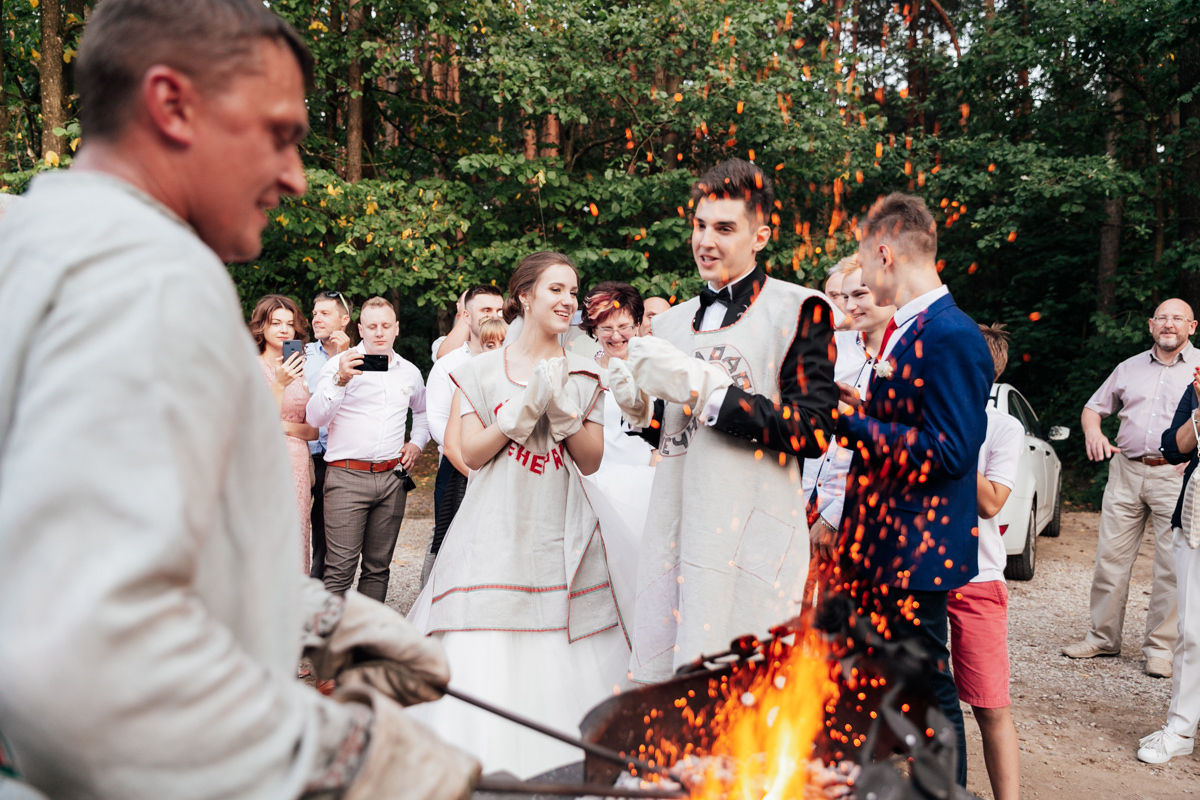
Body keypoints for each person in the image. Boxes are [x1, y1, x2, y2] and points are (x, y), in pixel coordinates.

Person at [0, 2, 477, 798]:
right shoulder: (150, 281)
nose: (293, 175)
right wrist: (345, 759)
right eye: (280, 134)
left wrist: (302, 618)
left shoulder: (31, 245)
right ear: (172, 104)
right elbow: (85, 657)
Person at [610, 159, 838, 683]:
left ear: (760, 236)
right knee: (672, 695)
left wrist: (707, 389)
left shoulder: (801, 310)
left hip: (749, 536)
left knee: (745, 699)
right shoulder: (666, 322)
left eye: (724, 228)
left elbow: (813, 431)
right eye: (699, 225)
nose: (705, 241)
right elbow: (675, 434)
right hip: (677, 527)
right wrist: (639, 411)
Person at [408, 252, 627, 778]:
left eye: (573, 291)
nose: (568, 300)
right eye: (556, 289)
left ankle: (570, 770)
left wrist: (563, 412)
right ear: (524, 296)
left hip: (562, 527)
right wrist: (519, 413)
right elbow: (471, 455)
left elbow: (591, 459)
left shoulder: (586, 370)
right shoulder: (479, 370)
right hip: (495, 531)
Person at [833, 192, 993, 788]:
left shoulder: (951, 334)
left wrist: (854, 425)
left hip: (914, 552)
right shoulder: (911, 327)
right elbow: (910, 428)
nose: (864, 276)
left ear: (884, 252)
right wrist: (865, 407)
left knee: (929, 693)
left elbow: (952, 453)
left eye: (864, 262)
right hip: (884, 546)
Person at [1063, 299, 1198, 678]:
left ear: (1192, 326)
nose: (1169, 324)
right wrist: (1094, 433)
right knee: (1110, 558)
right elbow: (1094, 408)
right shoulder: (1129, 367)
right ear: (1151, 325)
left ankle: (1160, 648)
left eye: (1177, 319)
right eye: (1162, 318)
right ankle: (1102, 638)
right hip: (1125, 470)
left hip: (1176, 475)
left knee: (1171, 567)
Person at [307, 297, 430, 603]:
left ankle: (366, 644)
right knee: (340, 568)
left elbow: (424, 412)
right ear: (360, 329)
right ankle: (327, 643)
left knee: (378, 568)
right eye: (372, 326)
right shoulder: (339, 364)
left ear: (396, 329)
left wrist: (416, 442)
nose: (379, 332)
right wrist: (340, 379)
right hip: (346, 476)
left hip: (393, 478)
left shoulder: (409, 372)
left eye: (386, 326)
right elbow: (314, 418)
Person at [948, 323, 1023, 800]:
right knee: (921, 696)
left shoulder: (1003, 427)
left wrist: (955, 441)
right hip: (922, 575)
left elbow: (992, 501)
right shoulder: (924, 414)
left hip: (979, 577)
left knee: (990, 705)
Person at [803, 263, 895, 595]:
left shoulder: (904, 359)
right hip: (801, 493)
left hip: (853, 510)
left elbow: (885, 447)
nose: (849, 305)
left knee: (834, 613)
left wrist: (832, 517)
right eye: (845, 296)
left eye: (859, 294)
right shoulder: (832, 348)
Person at [578, 282, 657, 625]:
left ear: (638, 325)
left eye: (624, 326)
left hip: (646, 483)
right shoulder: (581, 371)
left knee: (644, 573)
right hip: (596, 482)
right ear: (593, 329)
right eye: (606, 327)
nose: (616, 335)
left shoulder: (655, 367)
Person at [422, 284, 505, 584]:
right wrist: (473, 474)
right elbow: (440, 428)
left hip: (505, 468)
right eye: (485, 311)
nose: (493, 316)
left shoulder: (514, 361)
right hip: (458, 470)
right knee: (447, 544)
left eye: (498, 311)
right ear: (467, 317)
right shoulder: (448, 366)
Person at [1140, 368, 1200, 763]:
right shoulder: (1197, 386)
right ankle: (1180, 728)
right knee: (1193, 629)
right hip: (1196, 515)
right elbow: (1173, 448)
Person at [250, 293, 319, 573]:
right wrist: (278, 384)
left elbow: (313, 431)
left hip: (298, 467)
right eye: (276, 323)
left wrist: (285, 427)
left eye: (289, 324)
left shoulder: (300, 371)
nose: (283, 329)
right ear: (262, 327)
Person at [306, 290, 354, 579]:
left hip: (335, 458)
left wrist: (342, 357)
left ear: (344, 319)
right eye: (314, 313)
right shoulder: (300, 353)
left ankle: (317, 599)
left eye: (325, 313)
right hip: (303, 454)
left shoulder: (359, 358)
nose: (316, 318)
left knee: (325, 537)